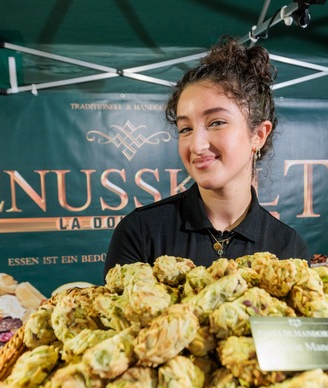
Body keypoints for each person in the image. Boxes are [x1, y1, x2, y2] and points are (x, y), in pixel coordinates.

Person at [103, 36, 311, 277]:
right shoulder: (141, 231)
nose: (197, 145)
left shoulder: (288, 248)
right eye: (185, 129)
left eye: (216, 122)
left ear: (258, 134)